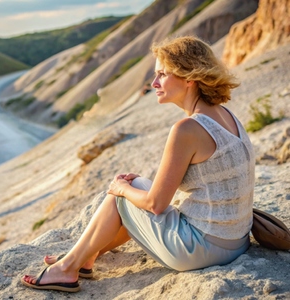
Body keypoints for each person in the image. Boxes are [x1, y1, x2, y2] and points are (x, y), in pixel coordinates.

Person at [21, 36, 255, 293]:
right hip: (236, 241)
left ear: (189, 78)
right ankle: (84, 257)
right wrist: (131, 188)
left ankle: (66, 269)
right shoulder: (226, 115)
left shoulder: (187, 129)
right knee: (134, 187)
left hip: (202, 250)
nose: (154, 83)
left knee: (121, 196)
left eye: (162, 75)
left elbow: (156, 205)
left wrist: (121, 189)